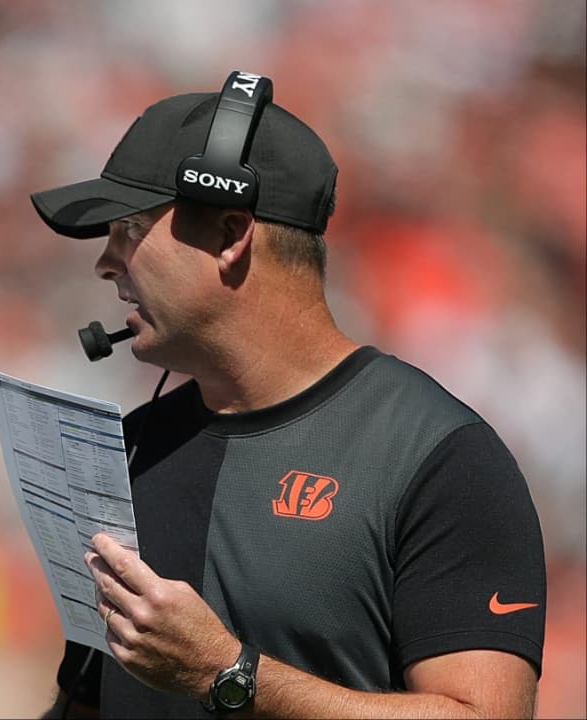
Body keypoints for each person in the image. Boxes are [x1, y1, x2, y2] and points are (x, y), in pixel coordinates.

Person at [28, 70, 546, 718]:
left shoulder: (439, 457)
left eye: (130, 228)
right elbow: (90, 701)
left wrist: (229, 671)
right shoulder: (130, 451)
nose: (106, 261)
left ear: (230, 233)